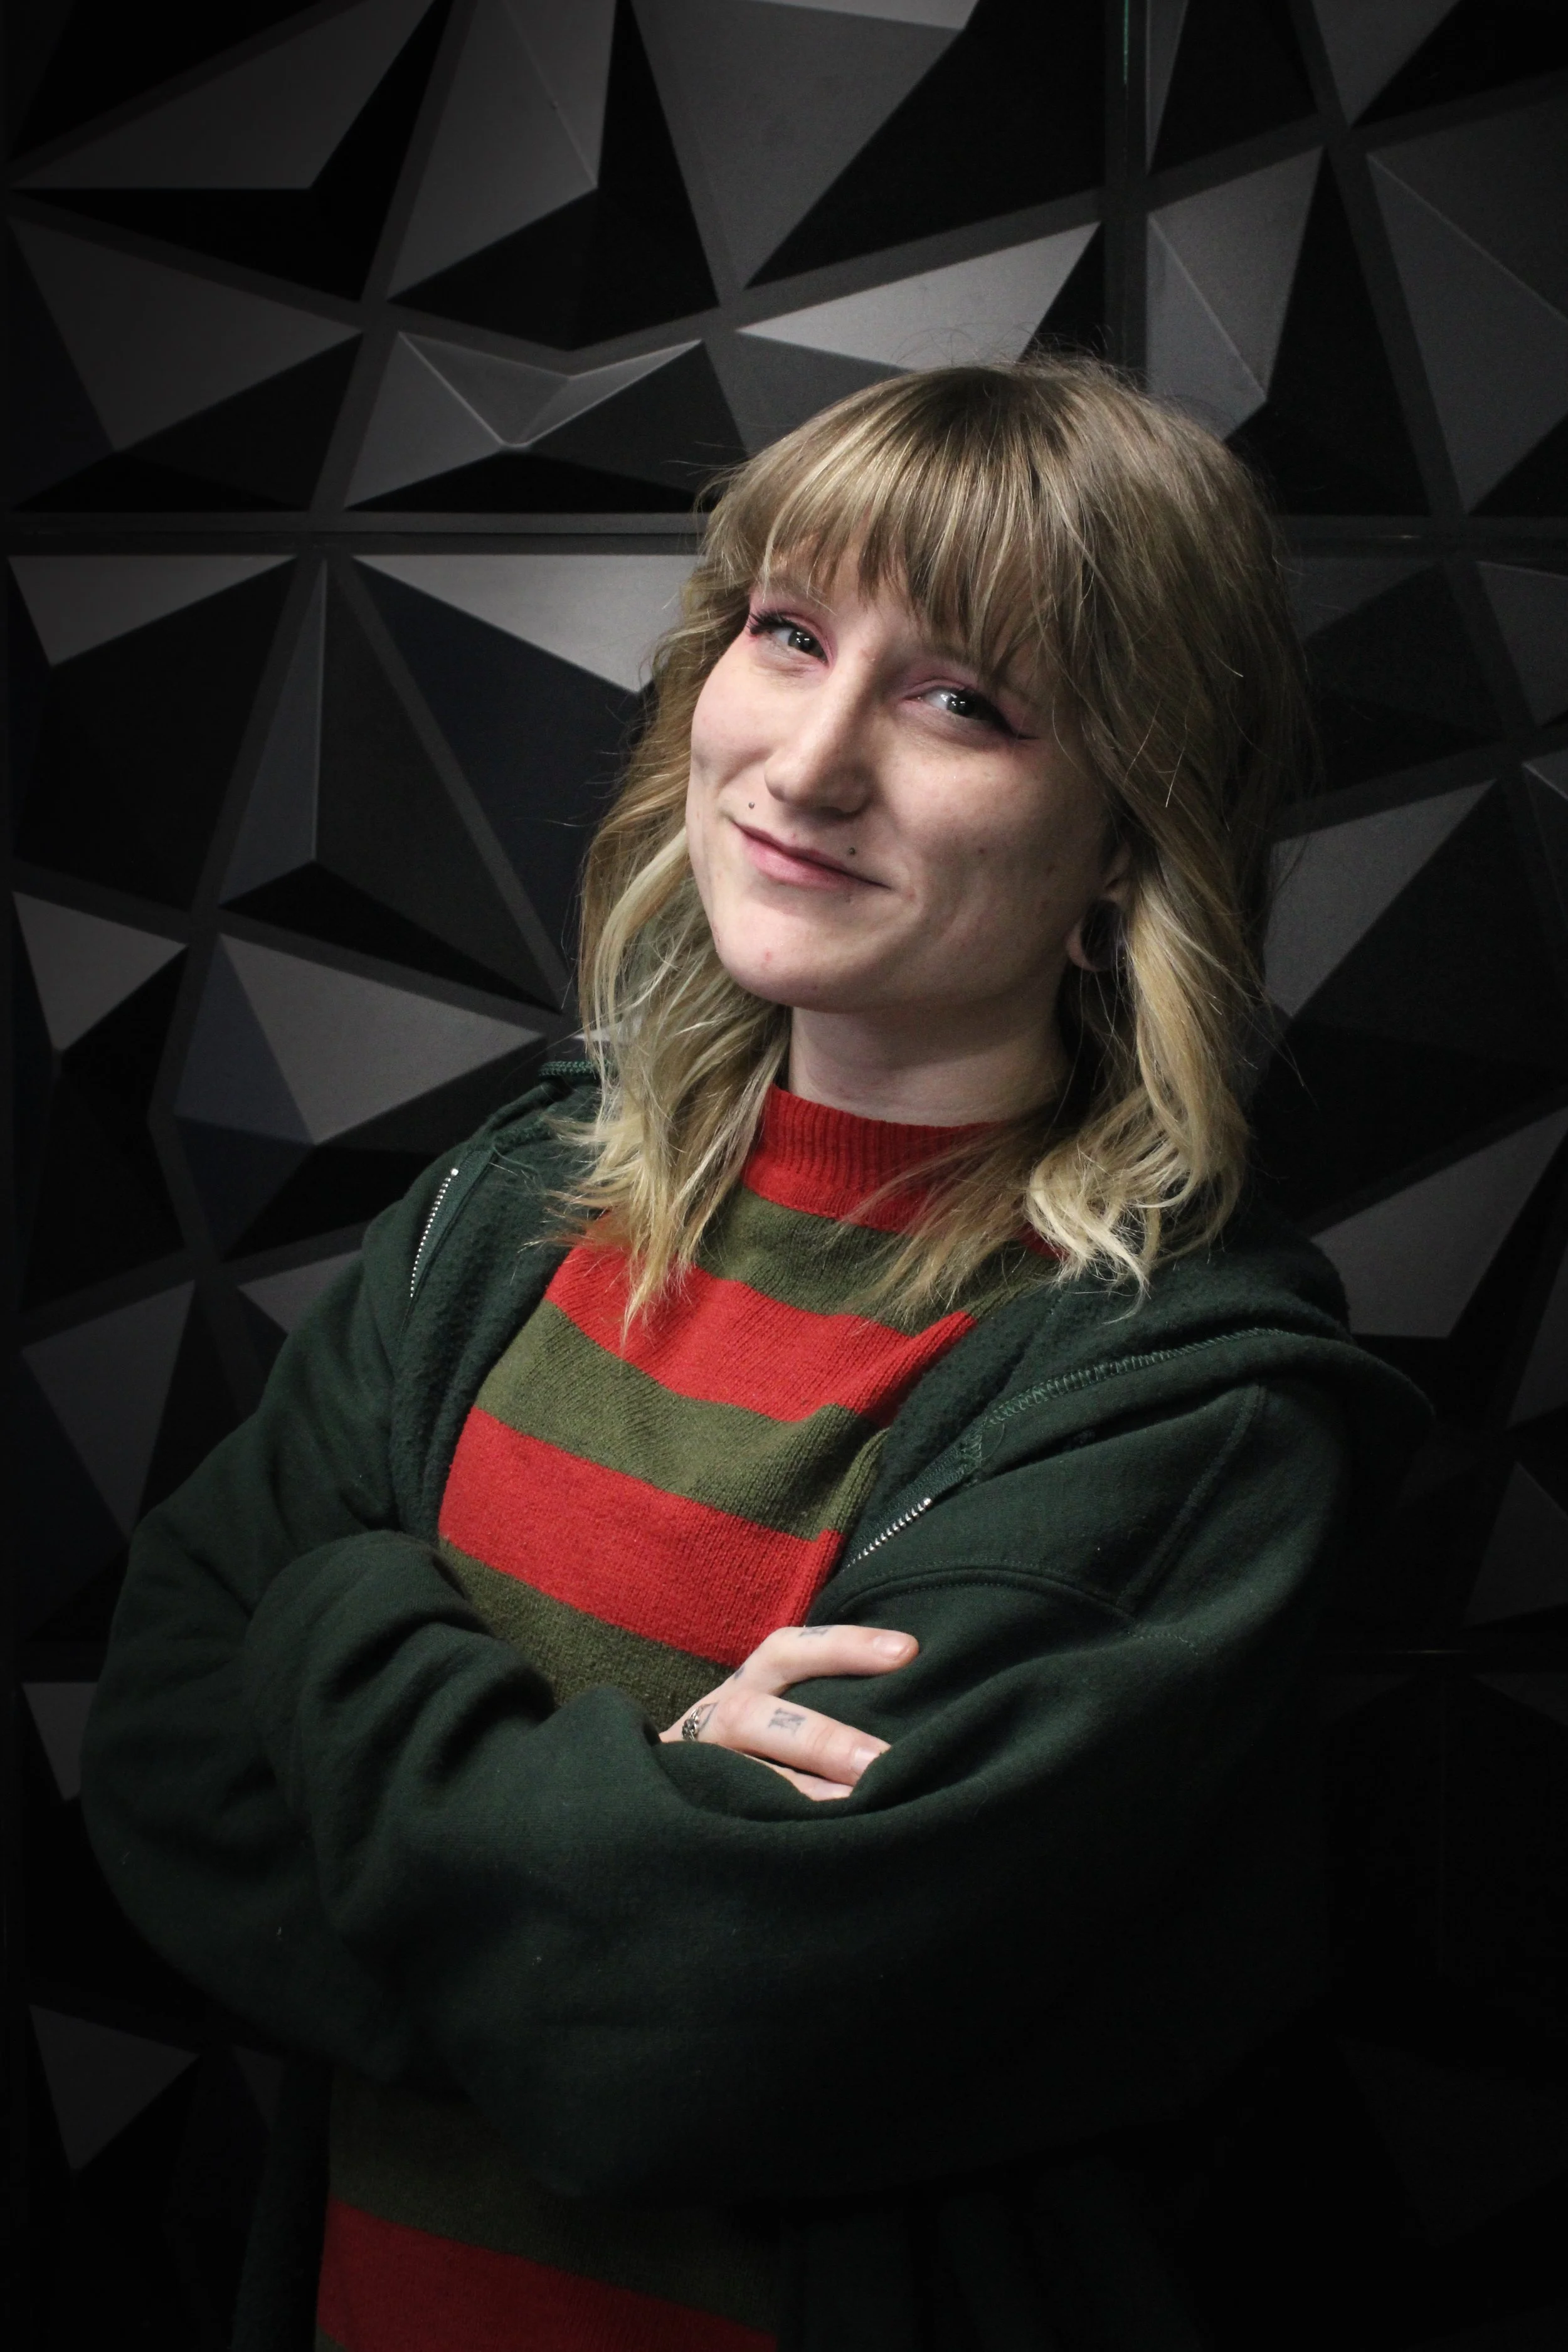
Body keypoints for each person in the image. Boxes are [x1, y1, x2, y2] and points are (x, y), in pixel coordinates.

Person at [83, 358, 1429, 2352]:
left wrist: (329, 1626)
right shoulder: (506, 1213)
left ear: (1126, 847)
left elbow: (687, 2028)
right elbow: (157, 1748)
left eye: (961, 700)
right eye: (788, 635)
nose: (803, 762)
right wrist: (613, 1838)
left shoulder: (1180, 1409)